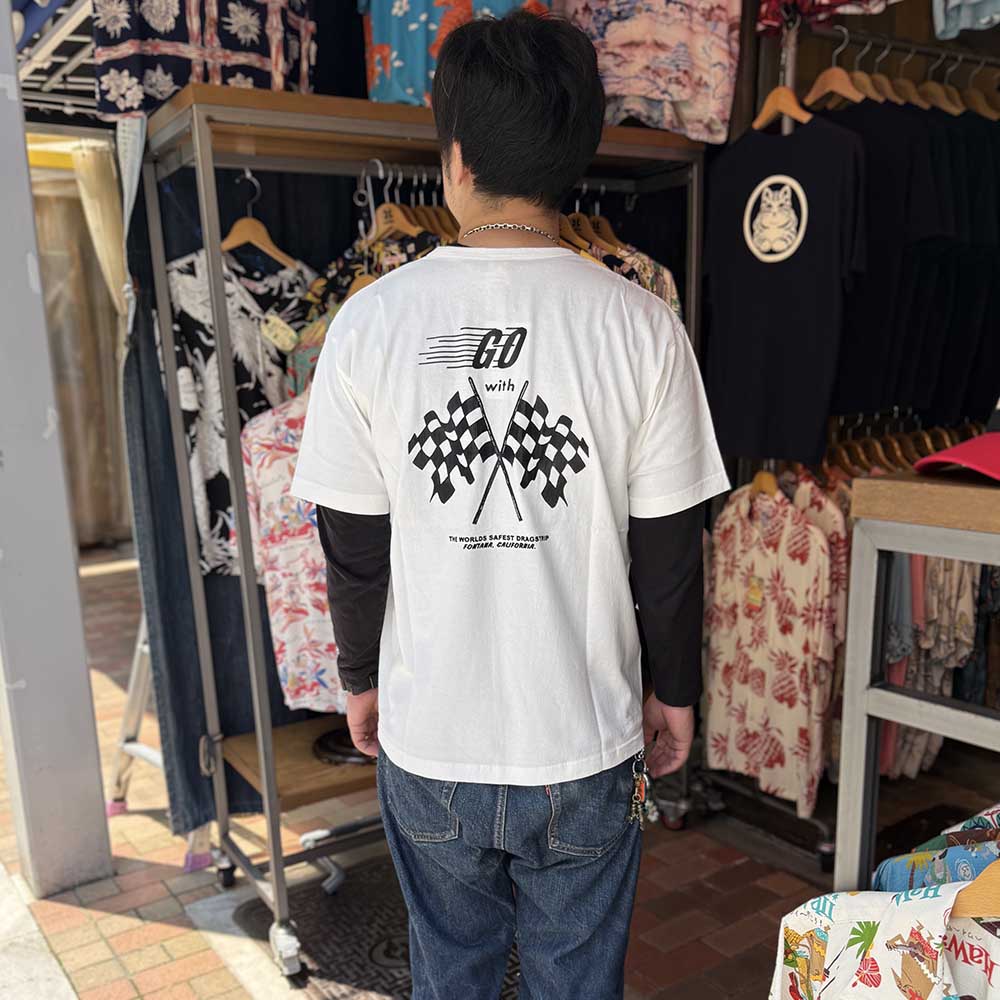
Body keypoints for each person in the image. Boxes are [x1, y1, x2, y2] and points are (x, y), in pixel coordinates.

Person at [291, 10, 728, 998]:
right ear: (575, 155)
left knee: (452, 968)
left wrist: (360, 678)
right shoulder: (642, 326)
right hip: (585, 738)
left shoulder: (370, 324)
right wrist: (674, 692)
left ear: (454, 157)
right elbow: (670, 551)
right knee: (578, 979)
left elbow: (352, 544)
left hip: (431, 736)